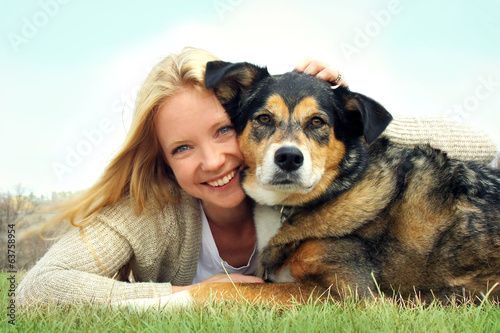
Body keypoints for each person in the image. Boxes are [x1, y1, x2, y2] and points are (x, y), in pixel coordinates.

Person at [16, 47, 498, 306]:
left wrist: (337, 113)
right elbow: (37, 290)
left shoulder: (299, 178)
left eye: (222, 131)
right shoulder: (153, 211)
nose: (212, 161)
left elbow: (484, 147)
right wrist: (194, 296)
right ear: (163, 161)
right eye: (182, 148)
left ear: (237, 117)